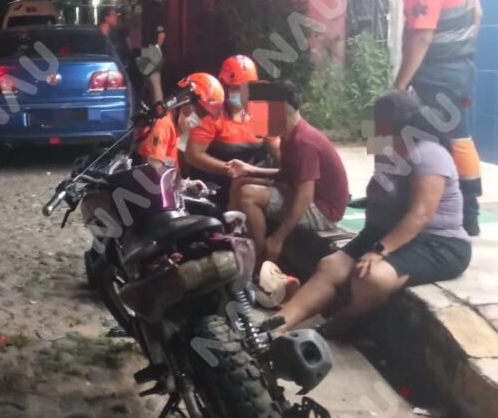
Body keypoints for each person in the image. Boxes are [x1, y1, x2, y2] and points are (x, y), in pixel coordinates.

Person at [276, 90, 472, 333]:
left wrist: (379, 250)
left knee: (370, 278)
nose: (370, 126)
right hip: (384, 231)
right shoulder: (386, 149)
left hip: (438, 244)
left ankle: (345, 321)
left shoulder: (429, 153)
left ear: (394, 123)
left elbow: (419, 215)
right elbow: (377, 195)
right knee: (330, 266)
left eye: (376, 120)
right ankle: (273, 327)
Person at [385, 0, 483, 236]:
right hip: (460, 68)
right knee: (457, 135)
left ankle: (386, 191)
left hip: (437, 73)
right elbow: (477, 16)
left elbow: (421, 38)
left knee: (390, 122)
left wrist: (399, 88)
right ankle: (466, 209)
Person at [227, 81, 348, 266]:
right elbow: (289, 174)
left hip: (324, 210)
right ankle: (236, 240)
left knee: (248, 195)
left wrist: (278, 239)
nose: (253, 118)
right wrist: (250, 169)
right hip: (307, 195)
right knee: (242, 181)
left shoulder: (303, 143)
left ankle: (259, 259)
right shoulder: (289, 134)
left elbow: (304, 197)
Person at [184, 54, 279, 200]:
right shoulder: (211, 110)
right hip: (213, 183)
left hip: (250, 179)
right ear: (224, 85)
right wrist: (228, 170)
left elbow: (277, 149)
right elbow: (193, 155)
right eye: (237, 88)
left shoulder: (262, 107)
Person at [137, 72, 223, 168]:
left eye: (203, 116)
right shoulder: (161, 126)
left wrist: (182, 183)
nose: (198, 120)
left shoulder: (174, 129)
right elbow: (149, 176)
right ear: (184, 100)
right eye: (198, 113)